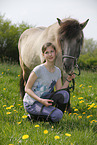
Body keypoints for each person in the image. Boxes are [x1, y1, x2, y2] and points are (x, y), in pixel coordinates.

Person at [23, 42, 75, 123]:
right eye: (46, 52)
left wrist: (68, 79)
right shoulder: (38, 69)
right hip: (32, 103)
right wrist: (41, 100)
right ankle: (33, 117)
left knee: (65, 94)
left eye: (52, 51)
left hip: (45, 100)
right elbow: (27, 88)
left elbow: (60, 91)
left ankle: (53, 115)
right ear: (43, 55)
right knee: (57, 115)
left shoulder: (57, 71)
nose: (50, 54)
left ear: (56, 53)